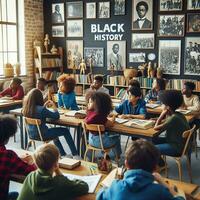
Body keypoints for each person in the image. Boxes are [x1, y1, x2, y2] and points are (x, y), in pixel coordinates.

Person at [97, 139, 185, 200]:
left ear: (126, 163)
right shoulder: (160, 192)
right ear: (155, 167)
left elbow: (99, 196)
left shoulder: (115, 186)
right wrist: (164, 184)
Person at [17, 143, 89, 200]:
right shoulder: (60, 183)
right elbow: (85, 187)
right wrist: (58, 172)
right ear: (56, 164)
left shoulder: (30, 176)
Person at [22, 88, 79, 158]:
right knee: (65, 131)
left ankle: (63, 154)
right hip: (43, 135)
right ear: (39, 98)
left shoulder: (26, 108)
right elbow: (56, 116)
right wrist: (55, 107)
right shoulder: (42, 109)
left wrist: (44, 107)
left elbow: (38, 112)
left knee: (54, 132)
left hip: (31, 134)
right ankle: (75, 154)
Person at [0, 114, 36, 200]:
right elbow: (32, 172)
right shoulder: (7, 156)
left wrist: (17, 159)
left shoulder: (8, 157)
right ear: (6, 137)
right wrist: (32, 161)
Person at [85, 92, 121, 159]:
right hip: (100, 143)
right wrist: (113, 117)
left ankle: (90, 157)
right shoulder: (100, 116)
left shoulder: (89, 113)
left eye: (90, 102)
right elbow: (110, 124)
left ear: (98, 104)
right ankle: (116, 156)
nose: (88, 104)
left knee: (107, 134)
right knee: (117, 137)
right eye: (89, 102)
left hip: (90, 140)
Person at [153, 90, 190, 157]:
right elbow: (167, 122)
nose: (161, 105)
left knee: (151, 149)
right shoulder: (178, 114)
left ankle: (161, 165)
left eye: (163, 104)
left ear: (168, 107)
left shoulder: (173, 118)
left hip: (176, 147)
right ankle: (160, 165)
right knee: (151, 141)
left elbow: (155, 128)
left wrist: (161, 115)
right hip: (178, 142)